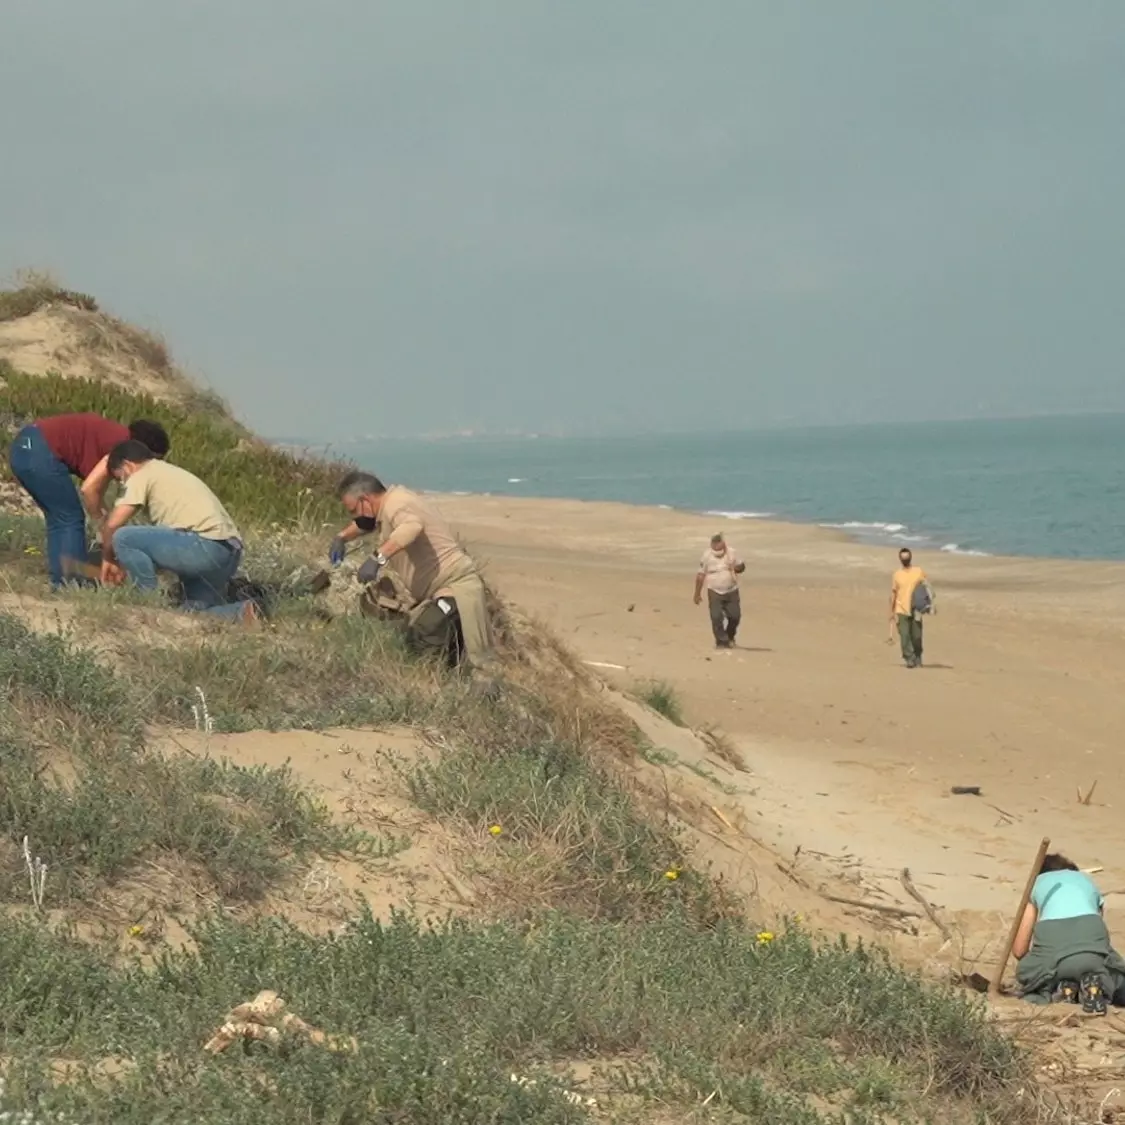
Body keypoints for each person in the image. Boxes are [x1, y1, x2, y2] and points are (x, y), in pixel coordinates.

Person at [329, 471, 493, 669]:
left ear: (365, 499)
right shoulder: (390, 504)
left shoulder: (397, 505)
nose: (354, 516)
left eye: (354, 510)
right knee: (439, 651)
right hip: (440, 591)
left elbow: (411, 527)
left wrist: (377, 558)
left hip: (456, 588)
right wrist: (342, 537)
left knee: (429, 632)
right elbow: (366, 524)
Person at [7, 412, 170, 587]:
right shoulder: (121, 447)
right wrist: (103, 525)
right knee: (69, 519)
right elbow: (89, 490)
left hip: (24, 447)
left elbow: (97, 494)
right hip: (39, 451)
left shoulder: (113, 436)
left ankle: (63, 580)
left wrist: (106, 523)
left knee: (60, 518)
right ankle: (70, 584)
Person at [100, 440, 255, 621]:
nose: (123, 484)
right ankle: (243, 612)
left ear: (128, 465)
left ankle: (146, 605)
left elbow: (113, 524)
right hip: (228, 553)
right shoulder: (171, 473)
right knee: (191, 615)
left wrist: (108, 558)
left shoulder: (142, 473)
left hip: (203, 546)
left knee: (124, 538)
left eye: (121, 479)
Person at [1014, 852, 1125, 1014]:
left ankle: (1061, 988)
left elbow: (1019, 950)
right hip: (1092, 950)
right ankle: (1095, 984)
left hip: (1054, 952)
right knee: (1115, 971)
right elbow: (1098, 939)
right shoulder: (1087, 881)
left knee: (1027, 973)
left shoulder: (1036, 884)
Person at [693, 533, 746, 649]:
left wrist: (737, 568)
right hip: (714, 590)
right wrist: (697, 594)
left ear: (723, 543)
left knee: (735, 616)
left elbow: (742, 567)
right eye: (714, 543)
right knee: (716, 617)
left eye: (719, 543)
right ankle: (721, 642)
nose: (717, 546)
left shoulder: (731, 552)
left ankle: (730, 637)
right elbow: (700, 575)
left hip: (731, 590)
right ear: (712, 544)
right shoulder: (706, 556)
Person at [888, 547, 934, 668]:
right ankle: (909, 657)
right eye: (903, 558)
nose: (905, 559)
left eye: (907, 557)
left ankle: (918, 656)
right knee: (904, 635)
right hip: (901, 608)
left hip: (916, 609)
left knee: (917, 636)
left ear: (910, 558)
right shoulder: (897, 575)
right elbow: (893, 593)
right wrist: (891, 611)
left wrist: (929, 603)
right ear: (900, 559)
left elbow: (927, 587)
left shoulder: (918, 571)